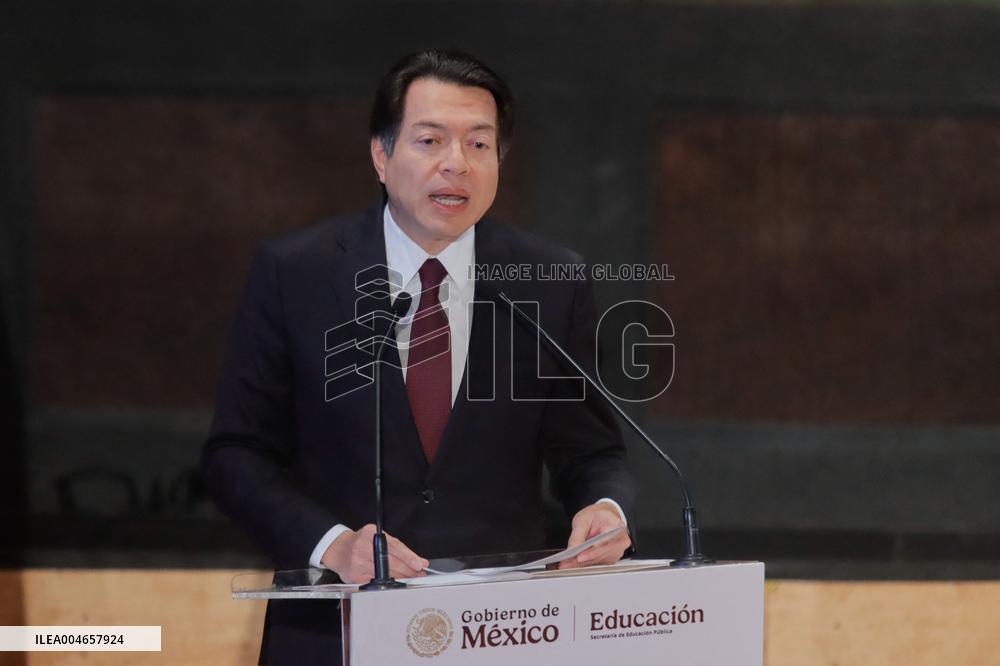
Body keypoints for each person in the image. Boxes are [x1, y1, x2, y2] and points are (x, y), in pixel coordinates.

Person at [202, 49, 636, 666]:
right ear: (381, 156)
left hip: (505, 631)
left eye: (479, 145)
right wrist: (331, 545)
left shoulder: (550, 281)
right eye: (430, 140)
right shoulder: (295, 273)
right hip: (338, 627)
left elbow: (590, 450)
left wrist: (605, 507)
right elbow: (235, 454)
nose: (455, 163)